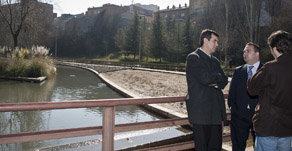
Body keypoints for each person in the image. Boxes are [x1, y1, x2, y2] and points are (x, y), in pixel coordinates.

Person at [247, 30, 292, 151]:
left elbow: (251, 88)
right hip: (287, 129)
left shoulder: (271, 67)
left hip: (268, 127)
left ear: (275, 48)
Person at [185, 29, 228, 151]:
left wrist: (215, 80)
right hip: (201, 114)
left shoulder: (215, 61)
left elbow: (224, 80)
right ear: (205, 40)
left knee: (215, 147)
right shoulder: (193, 57)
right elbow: (205, 78)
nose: (217, 44)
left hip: (215, 114)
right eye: (215, 41)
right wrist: (215, 79)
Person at [228, 42, 263, 151]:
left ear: (257, 54)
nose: (245, 53)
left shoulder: (266, 70)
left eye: (248, 51)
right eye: (244, 51)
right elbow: (231, 94)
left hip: (260, 117)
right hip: (239, 117)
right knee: (237, 147)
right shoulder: (238, 71)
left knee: (260, 147)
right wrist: (234, 109)